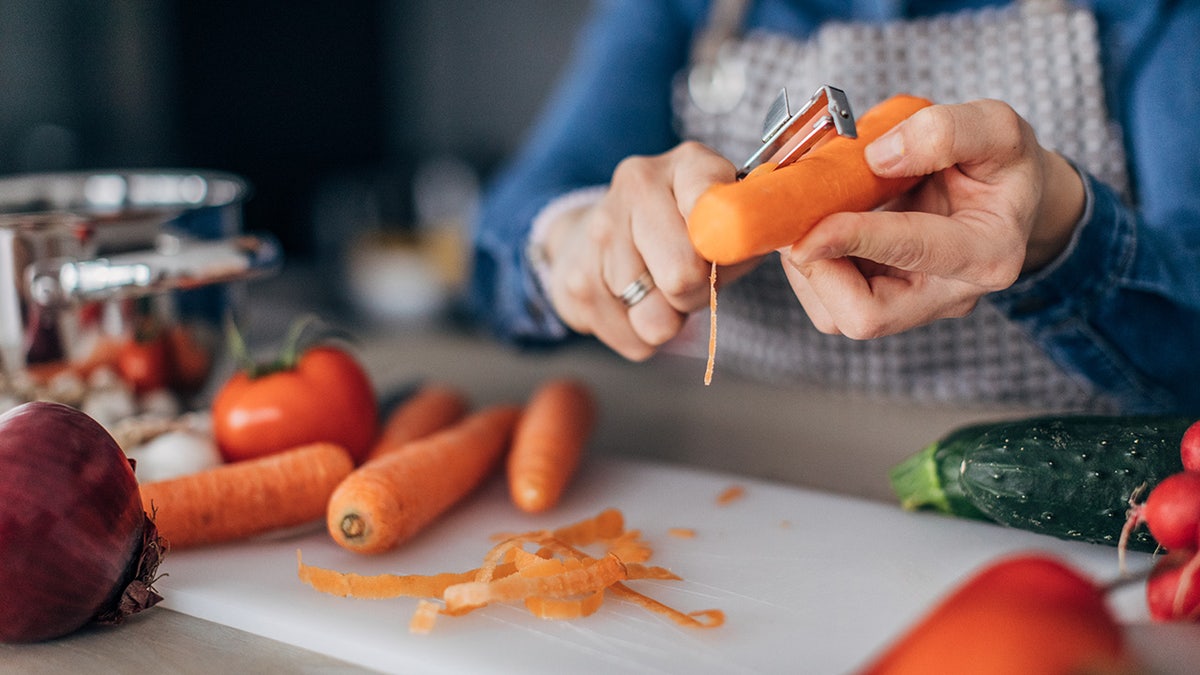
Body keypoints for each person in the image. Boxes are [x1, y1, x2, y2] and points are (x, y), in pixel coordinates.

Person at [468, 0, 1200, 414]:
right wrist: (571, 241)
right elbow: (503, 239)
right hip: (753, 478)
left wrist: (1061, 236)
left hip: (1044, 514)